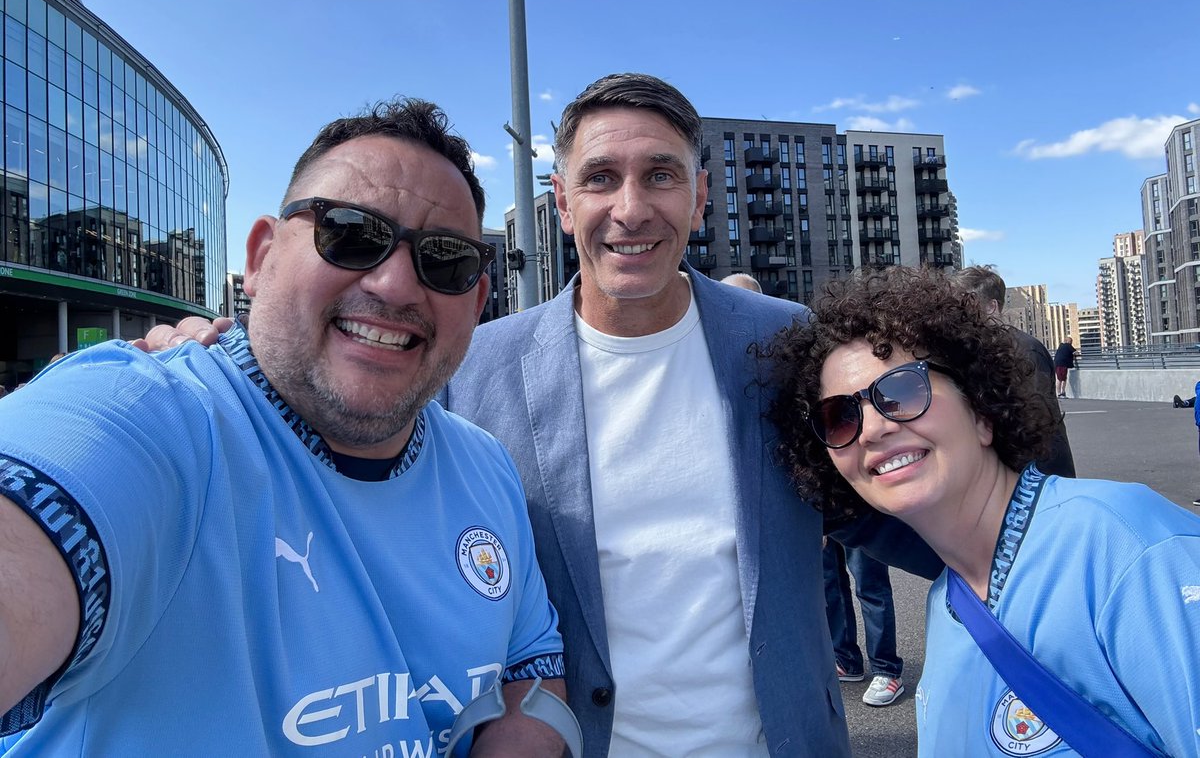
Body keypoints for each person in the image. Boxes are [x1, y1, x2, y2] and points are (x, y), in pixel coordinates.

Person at [143, 73, 943, 757]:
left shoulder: (788, 346)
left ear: (701, 197)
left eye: (661, 175)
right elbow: (333, 443)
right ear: (562, 203)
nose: (631, 208)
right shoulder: (467, 367)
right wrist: (225, 361)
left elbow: (914, 512)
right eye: (600, 178)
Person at [0, 99, 570, 756]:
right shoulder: (149, 415)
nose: (395, 284)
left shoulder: (485, 465)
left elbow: (529, 670)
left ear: (476, 301)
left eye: (445, 260)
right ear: (261, 257)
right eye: (351, 234)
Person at [768, 265, 1200, 755]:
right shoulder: (948, 603)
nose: (871, 429)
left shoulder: (1129, 551)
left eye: (902, 390)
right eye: (840, 416)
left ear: (981, 410)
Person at [954, 265, 1076, 477]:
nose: (958, 311)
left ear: (992, 306)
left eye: (967, 303)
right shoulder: (976, 348)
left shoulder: (1024, 350)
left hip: (1039, 473)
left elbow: (1034, 421)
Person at [822, 541, 905, 706]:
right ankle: (846, 660)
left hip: (859, 522)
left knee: (870, 582)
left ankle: (886, 669)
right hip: (818, 523)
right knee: (830, 583)